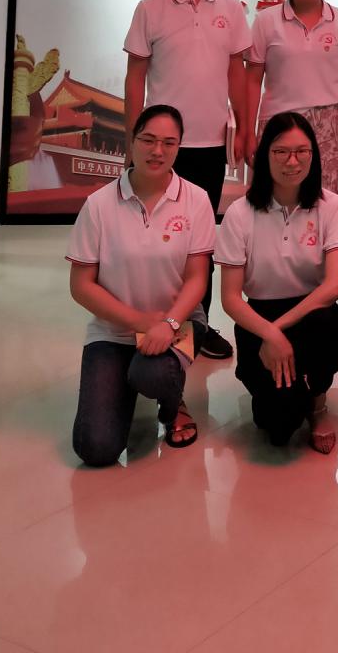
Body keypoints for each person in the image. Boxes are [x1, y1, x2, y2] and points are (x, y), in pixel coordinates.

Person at [124, 0, 250, 359]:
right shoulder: (150, 8)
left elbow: (238, 73)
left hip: (210, 144)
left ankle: (198, 323)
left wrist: (244, 127)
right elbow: (135, 76)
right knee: (154, 237)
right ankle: (148, 321)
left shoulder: (230, 8)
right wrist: (134, 139)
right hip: (161, 148)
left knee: (200, 240)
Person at [66, 105, 215, 465]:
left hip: (180, 322)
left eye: (169, 143)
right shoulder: (99, 205)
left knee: (153, 373)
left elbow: (198, 277)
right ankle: (127, 383)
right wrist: (142, 323)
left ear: (179, 147)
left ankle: (171, 403)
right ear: (131, 142)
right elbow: (81, 286)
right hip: (114, 331)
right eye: (148, 140)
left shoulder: (196, 200)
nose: (157, 151)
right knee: (95, 448)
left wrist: (168, 323)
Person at [217, 111, 338, 453]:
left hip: (312, 312)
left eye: (302, 151)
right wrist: (268, 332)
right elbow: (230, 298)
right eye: (281, 152)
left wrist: (278, 331)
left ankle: (318, 405)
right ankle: (289, 396)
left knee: (327, 323)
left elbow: (333, 287)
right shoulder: (240, 213)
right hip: (258, 317)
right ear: (265, 155)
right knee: (278, 427)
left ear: (313, 155)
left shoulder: (332, 206)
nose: (292, 161)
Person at [244, 0, 338, 189]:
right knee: (274, 194)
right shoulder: (266, 20)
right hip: (277, 120)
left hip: (327, 123)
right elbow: (252, 81)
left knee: (322, 196)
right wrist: (248, 131)